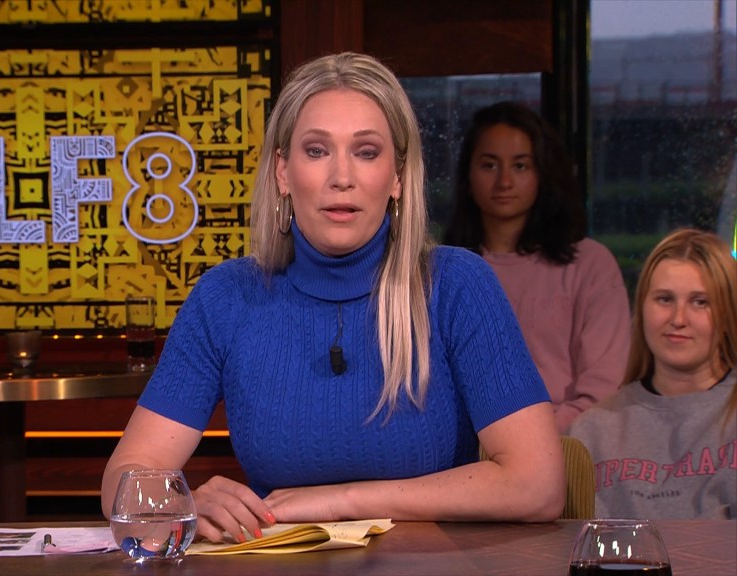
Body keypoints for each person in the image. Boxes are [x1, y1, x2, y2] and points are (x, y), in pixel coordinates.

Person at [101, 52, 565, 544]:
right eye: (317, 150)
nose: (341, 176)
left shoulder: (456, 286)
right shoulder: (227, 297)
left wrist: (342, 501)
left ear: (397, 176)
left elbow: (537, 484)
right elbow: (125, 480)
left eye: (366, 152)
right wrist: (185, 501)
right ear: (283, 171)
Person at [443, 101, 631, 433]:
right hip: (465, 450)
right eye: (489, 165)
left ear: (543, 174)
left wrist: (531, 441)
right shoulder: (444, 271)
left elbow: (604, 390)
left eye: (520, 166)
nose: (504, 181)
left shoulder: (590, 264)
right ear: (468, 177)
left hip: (570, 444)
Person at [568, 229, 736, 520]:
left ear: (728, 313)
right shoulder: (591, 431)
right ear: (642, 308)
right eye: (664, 299)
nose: (678, 319)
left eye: (700, 302)